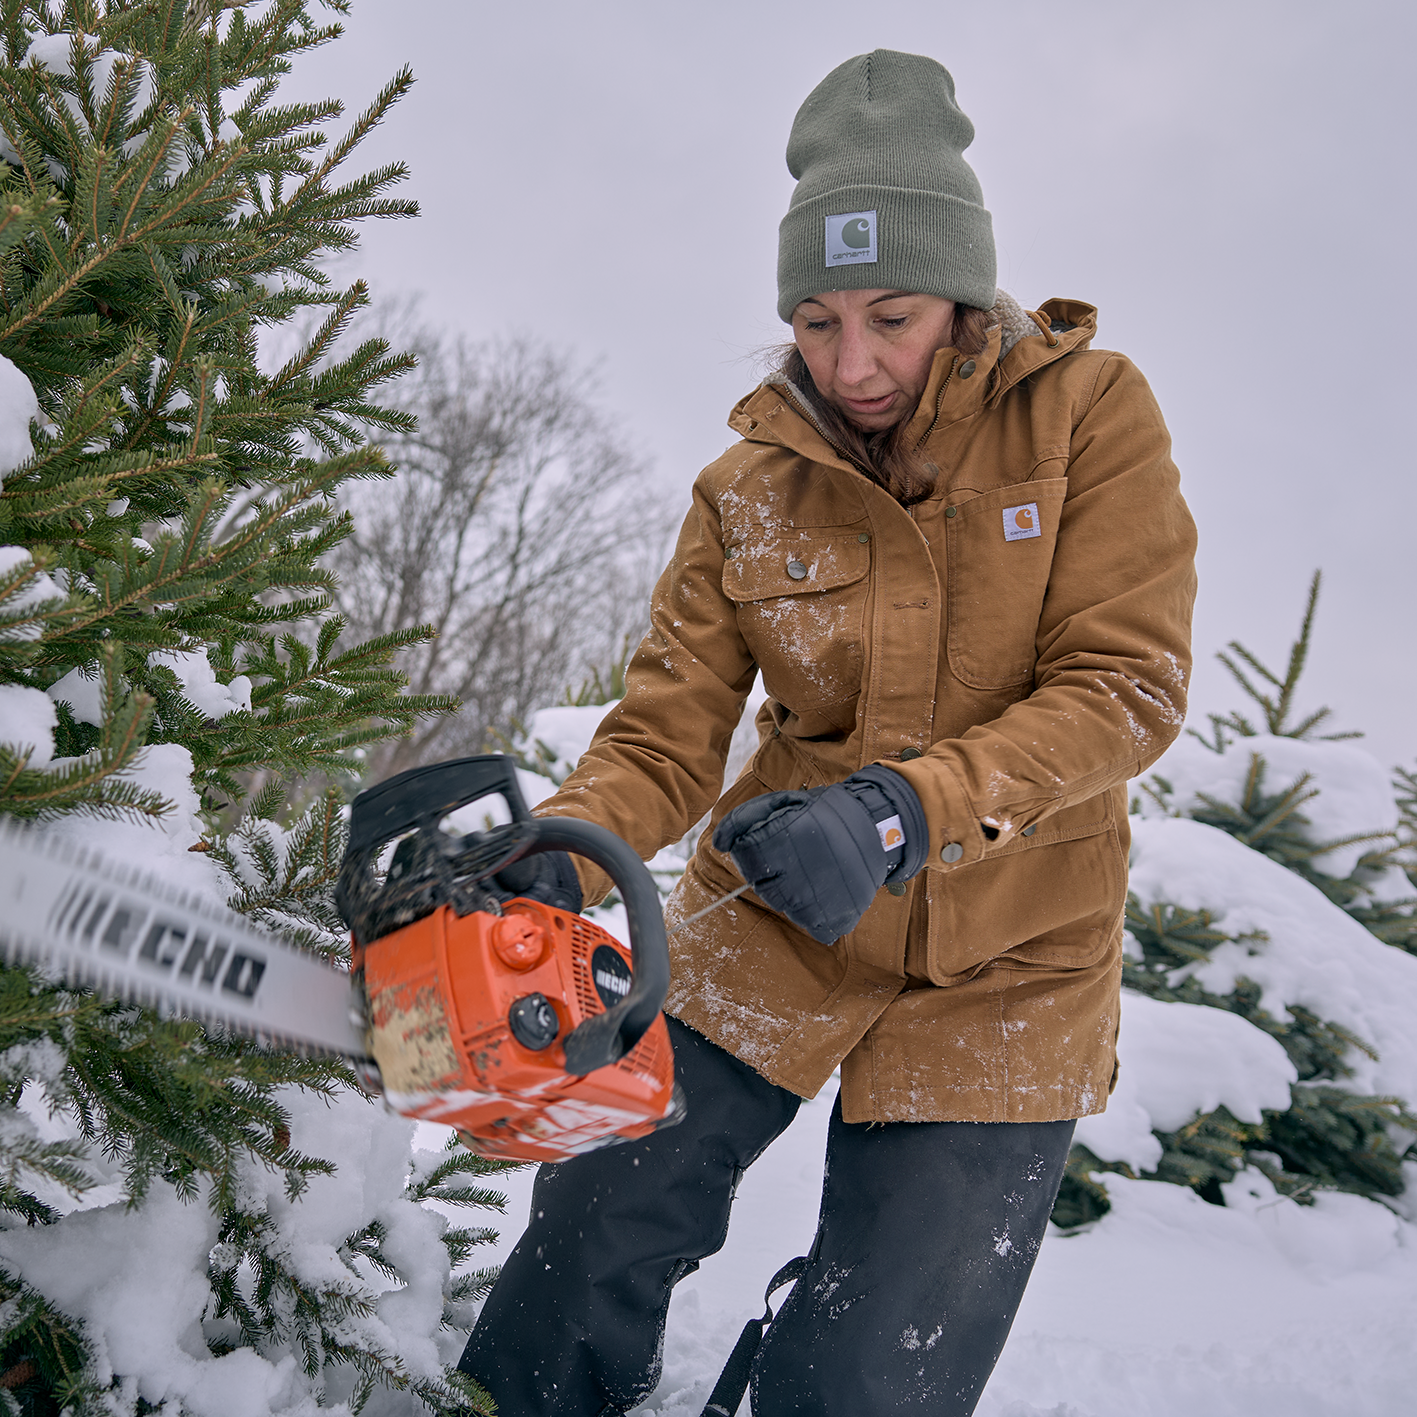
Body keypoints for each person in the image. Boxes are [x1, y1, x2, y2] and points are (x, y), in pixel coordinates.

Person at [460, 48, 1196, 1416]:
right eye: (813, 322)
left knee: (876, 1374)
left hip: (1014, 954)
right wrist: (567, 841)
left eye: (891, 318)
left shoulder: (1092, 414)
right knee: (591, 1228)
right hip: (779, 907)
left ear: (962, 300)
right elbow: (668, 733)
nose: (850, 364)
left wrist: (901, 811)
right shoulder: (747, 484)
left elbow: (1126, 685)